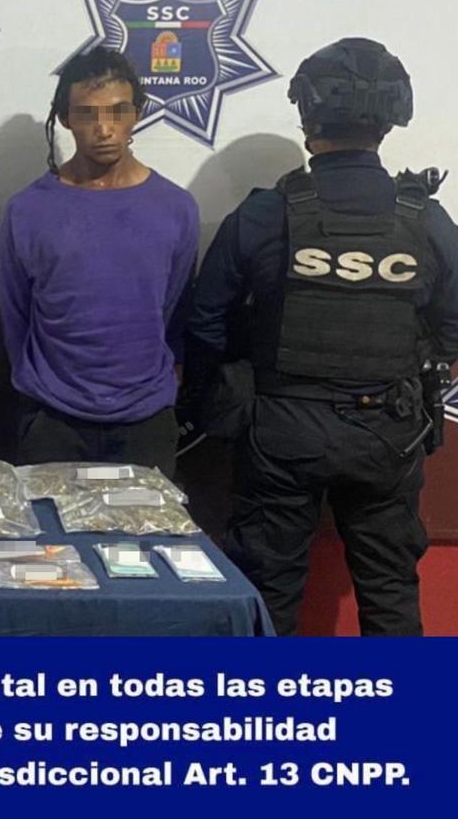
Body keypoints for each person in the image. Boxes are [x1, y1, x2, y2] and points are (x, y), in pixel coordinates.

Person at [186, 38, 458, 636]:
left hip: (283, 428)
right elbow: (452, 328)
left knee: (267, 595)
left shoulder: (266, 214)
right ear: (391, 119)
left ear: (308, 116)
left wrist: (223, 393)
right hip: (389, 430)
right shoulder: (425, 219)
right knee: (390, 593)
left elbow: (205, 323)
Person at [0, 47, 198, 475]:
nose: (104, 129)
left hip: (146, 420)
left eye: (117, 111)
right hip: (52, 418)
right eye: (88, 114)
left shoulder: (176, 208)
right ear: (65, 119)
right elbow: (16, 317)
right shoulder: (27, 210)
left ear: (137, 114)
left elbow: (172, 310)